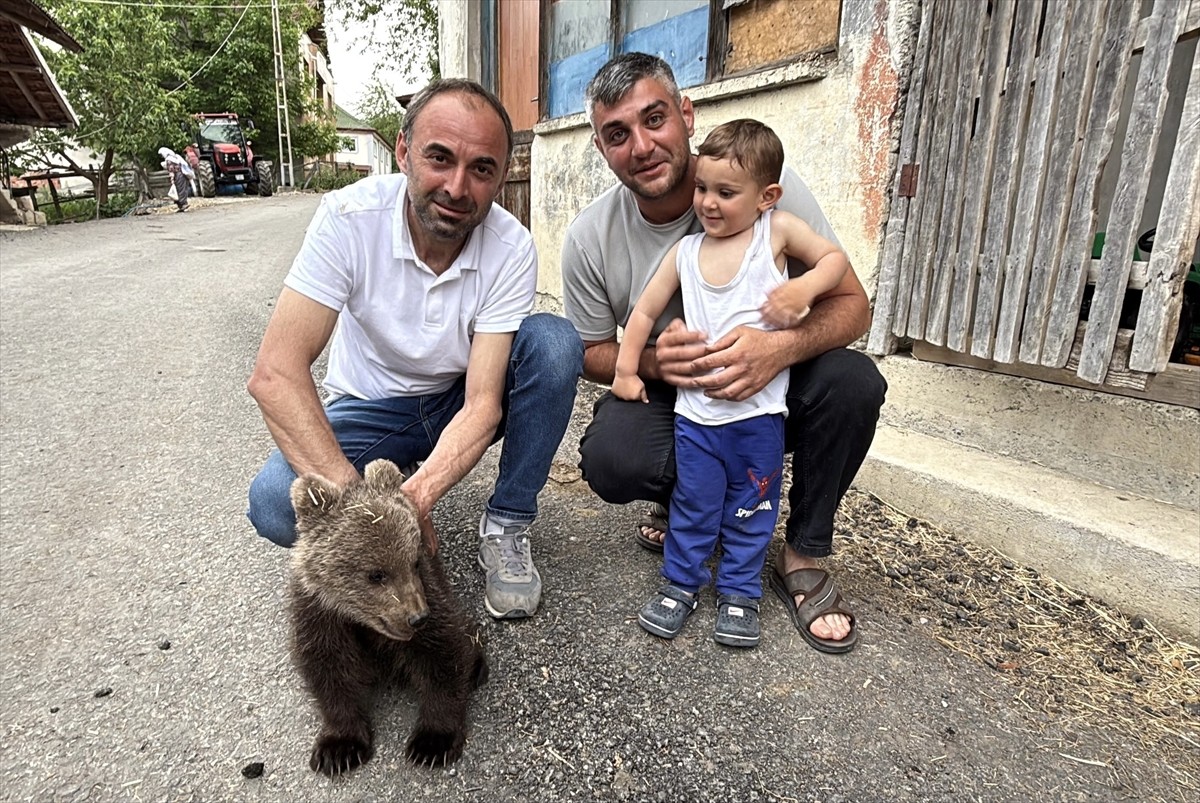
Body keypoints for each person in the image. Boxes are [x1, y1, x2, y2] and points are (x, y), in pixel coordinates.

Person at [562, 53, 887, 654]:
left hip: (771, 392)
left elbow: (854, 305)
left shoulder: (770, 206)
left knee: (853, 382)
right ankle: (694, 508)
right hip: (685, 403)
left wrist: (780, 347)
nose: (641, 144)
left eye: (653, 117)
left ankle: (803, 553)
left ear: (686, 114)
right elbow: (591, 351)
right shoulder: (590, 236)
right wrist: (656, 363)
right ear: (602, 149)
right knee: (612, 454)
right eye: (617, 134)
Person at [247, 79, 583, 620]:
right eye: (439, 157)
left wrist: (414, 500)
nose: (457, 187)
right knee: (272, 504)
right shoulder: (348, 219)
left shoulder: (511, 246)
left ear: (500, 177)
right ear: (403, 152)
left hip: (459, 394)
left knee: (555, 343)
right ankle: (361, 561)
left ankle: (507, 522)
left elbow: (480, 405)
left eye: (481, 169)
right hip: (371, 406)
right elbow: (276, 374)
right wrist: (370, 521)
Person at [612, 119, 850, 648]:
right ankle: (680, 584)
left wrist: (803, 288)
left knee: (752, 507)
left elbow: (836, 262)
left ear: (767, 196)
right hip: (696, 419)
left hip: (759, 419)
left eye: (725, 192)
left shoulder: (778, 233)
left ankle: (740, 591)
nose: (708, 203)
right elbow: (645, 311)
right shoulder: (686, 253)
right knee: (694, 504)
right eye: (702, 187)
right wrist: (627, 371)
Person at [159, 147, 193, 212]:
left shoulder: (169, 160)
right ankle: (182, 205)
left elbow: (171, 170)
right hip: (182, 174)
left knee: (180, 190)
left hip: (178, 175)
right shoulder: (175, 157)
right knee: (182, 189)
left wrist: (172, 180)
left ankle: (183, 205)